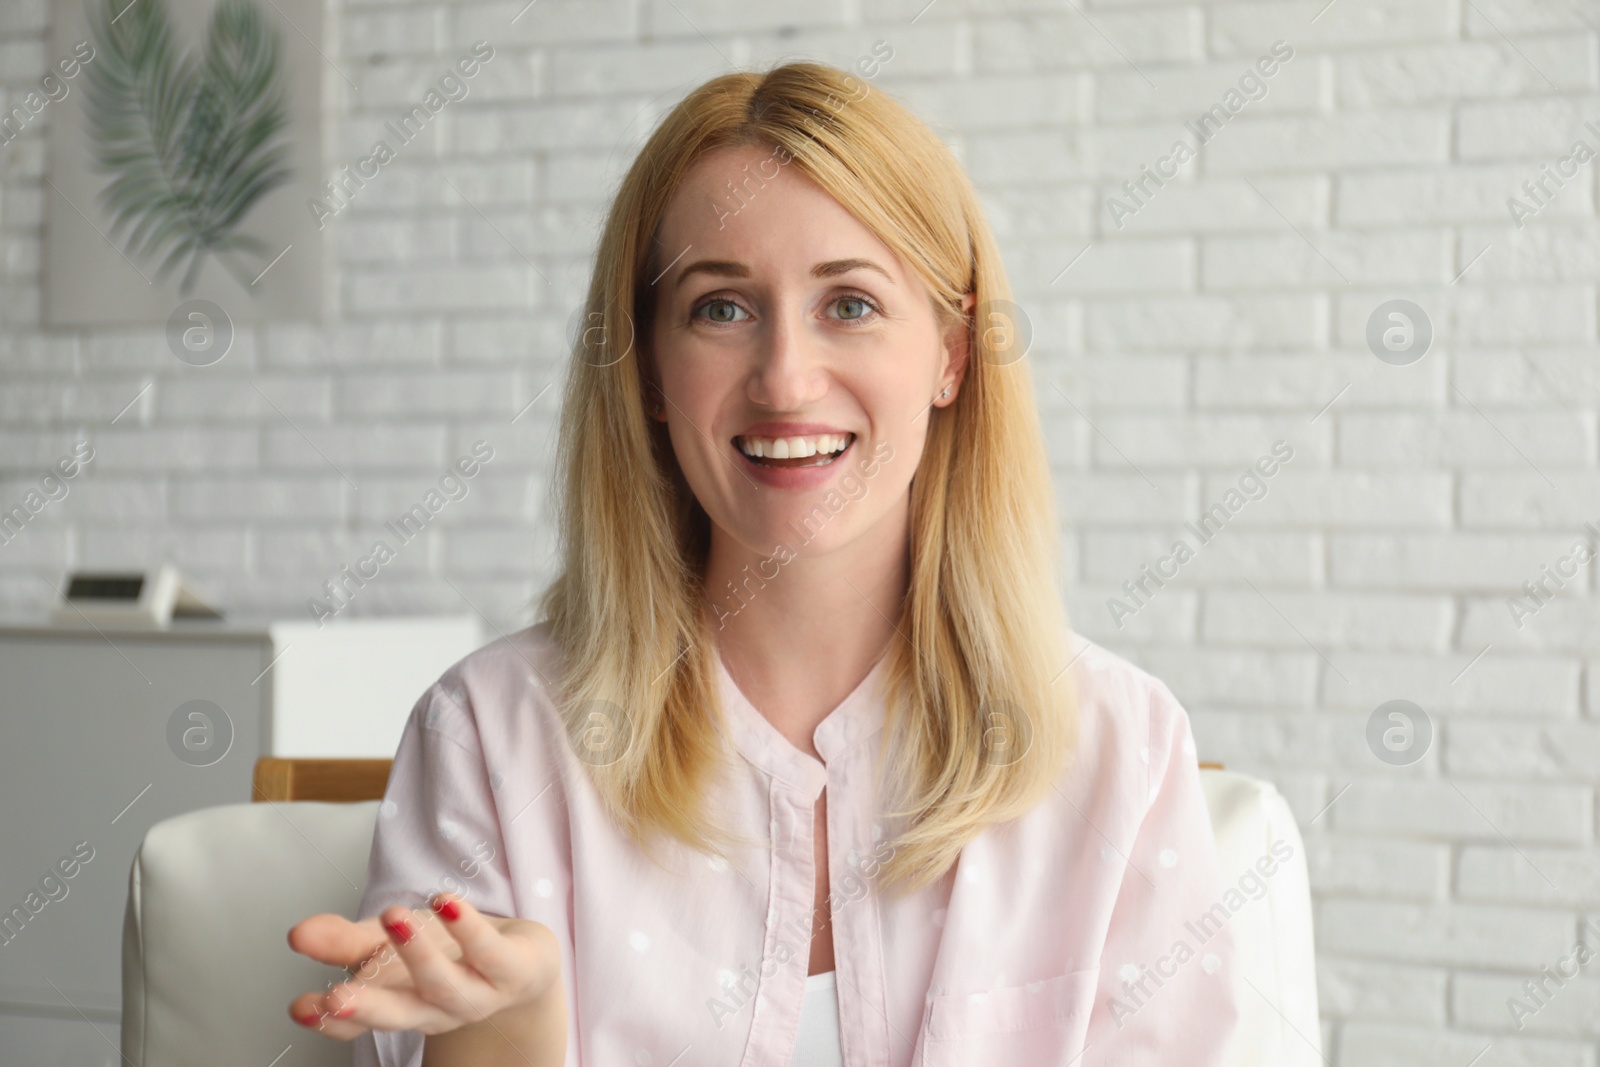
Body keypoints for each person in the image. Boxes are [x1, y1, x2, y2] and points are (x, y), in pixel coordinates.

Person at [286, 58, 1240, 1067]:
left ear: (952, 355)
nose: (785, 379)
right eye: (721, 308)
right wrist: (508, 1028)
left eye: (852, 305)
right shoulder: (490, 734)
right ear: (650, 367)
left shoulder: (1119, 746)